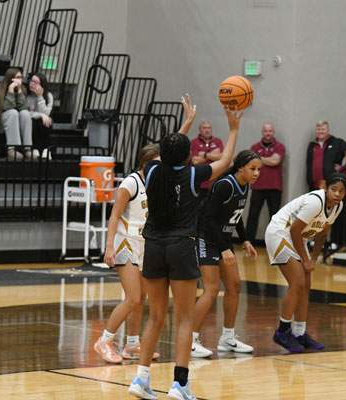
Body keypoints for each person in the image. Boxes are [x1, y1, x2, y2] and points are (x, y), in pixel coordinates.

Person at [128, 98, 243, 400]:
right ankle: (180, 385)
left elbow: (169, 152)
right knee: (184, 319)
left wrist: (186, 123)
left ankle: (141, 378)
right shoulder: (194, 175)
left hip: (153, 247)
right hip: (181, 247)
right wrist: (233, 129)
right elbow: (225, 162)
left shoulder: (152, 170)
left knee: (155, 317)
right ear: (189, 155)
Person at [93, 144, 162, 364]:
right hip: (125, 242)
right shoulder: (131, 182)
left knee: (140, 299)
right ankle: (104, 340)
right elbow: (114, 215)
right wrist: (109, 247)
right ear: (145, 163)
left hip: (145, 244)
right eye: (156, 163)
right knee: (132, 298)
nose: (159, 167)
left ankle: (132, 345)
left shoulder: (157, 183)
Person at [265, 172, 346, 352]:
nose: (337, 194)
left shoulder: (337, 206)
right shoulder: (315, 202)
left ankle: (300, 333)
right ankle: (282, 332)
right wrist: (305, 259)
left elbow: (322, 234)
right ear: (326, 188)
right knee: (297, 282)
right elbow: (294, 230)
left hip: (297, 238)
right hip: (280, 232)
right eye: (334, 189)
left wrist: (313, 259)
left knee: (305, 285)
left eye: (341, 191)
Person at [191, 150, 261, 358]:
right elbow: (208, 219)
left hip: (223, 240)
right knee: (211, 290)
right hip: (207, 238)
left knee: (234, 286)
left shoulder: (245, 185)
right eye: (252, 169)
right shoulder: (225, 185)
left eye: (258, 170)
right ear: (240, 167)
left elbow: (235, 215)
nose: (256, 173)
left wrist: (245, 239)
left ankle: (227, 338)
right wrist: (223, 248)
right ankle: (190, 340)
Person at [245, 123, 286, 243]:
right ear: (262, 132)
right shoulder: (254, 147)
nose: (268, 133)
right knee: (253, 215)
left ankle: (273, 241)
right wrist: (267, 159)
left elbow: (275, 161)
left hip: (274, 187)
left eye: (270, 131)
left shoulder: (280, 146)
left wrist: (259, 158)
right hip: (257, 186)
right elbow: (252, 164)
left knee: (274, 216)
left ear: (273, 132)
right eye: (266, 131)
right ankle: (248, 241)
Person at [0, 68, 34, 160]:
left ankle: (27, 149)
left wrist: (19, 91)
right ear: (10, 78)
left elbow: (24, 107)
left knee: (25, 113)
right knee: (12, 112)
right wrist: (11, 90)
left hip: (11, 121)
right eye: (17, 77)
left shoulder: (22, 88)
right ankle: (12, 149)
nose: (19, 80)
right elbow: (7, 108)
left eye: (21, 77)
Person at [306, 120, 346, 191]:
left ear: (327, 130)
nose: (320, 131)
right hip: (314, 185)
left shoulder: (337, 142)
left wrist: (343, 167)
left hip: (331, 184)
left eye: (323, 129)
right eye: (318, 129)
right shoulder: (312, 145)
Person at [190, 120, 224, 201]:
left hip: (215, 181)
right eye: (204, 128)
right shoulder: (194, 142)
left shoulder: (218, 141)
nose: (207, 130)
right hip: (200, 182)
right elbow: (195, 161)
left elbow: (222, 157)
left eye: (209, 128)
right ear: (200, 129)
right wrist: (213, 154)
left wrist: (204, 154)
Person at [27, 73, 54, 160]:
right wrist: (40, 115)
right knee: (34, 121)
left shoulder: (48, 96)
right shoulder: (26, 95)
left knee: (46, 120)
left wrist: (40, 97)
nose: (32, 84)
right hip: (30, 120)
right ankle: (35, 148)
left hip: (42, 122)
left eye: (36, 82)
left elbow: (46, 113)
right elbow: (26, 112)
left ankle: (46, 149)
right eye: (32, 81)